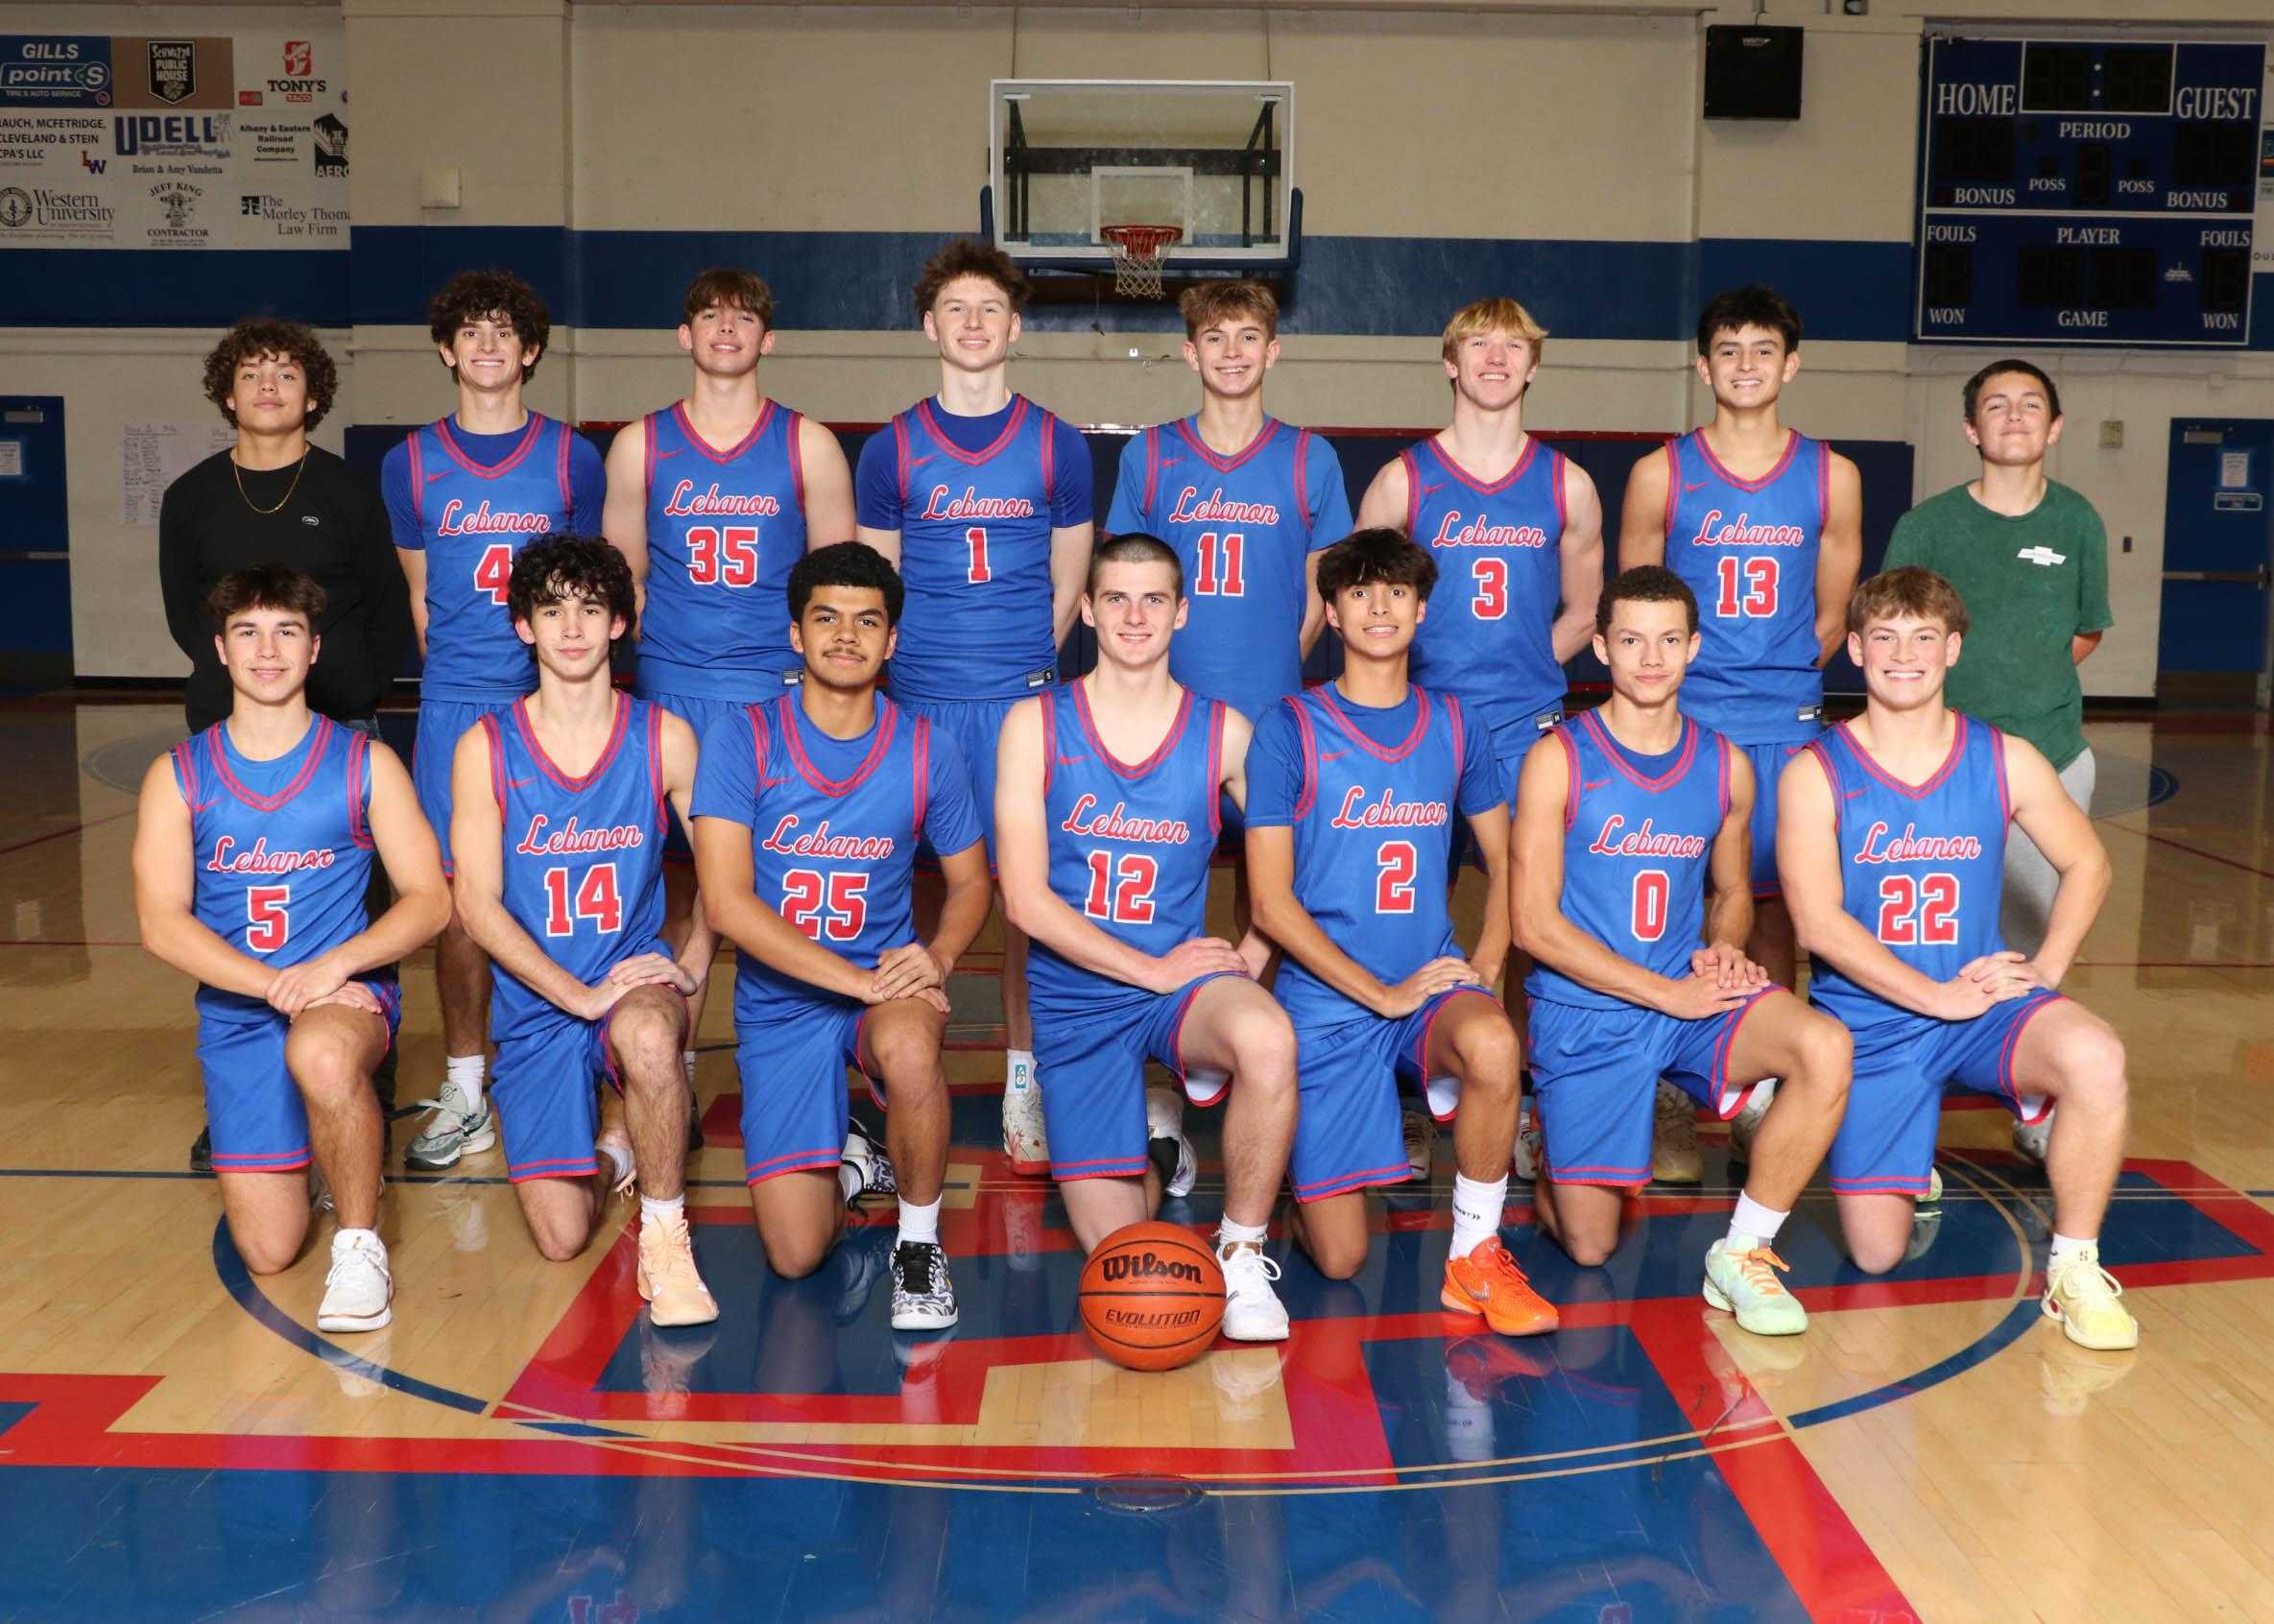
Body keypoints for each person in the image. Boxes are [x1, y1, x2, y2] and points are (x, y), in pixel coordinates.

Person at [1781, 566, 2136, 1349]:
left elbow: (2088, 863)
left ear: (1952, 649)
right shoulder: (1814, 772)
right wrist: (1931, 996)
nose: (1903, 655)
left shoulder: (2003, 757)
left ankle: (2074, 1268)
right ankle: (1906, 1154)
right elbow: (1816, 924)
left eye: (1923, 638)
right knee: (1875, 1254)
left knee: (2094, 1055)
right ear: (1854, 650)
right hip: (1872, 1024)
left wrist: (2046, 969)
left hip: (1981, 1005)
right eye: (1883, 638)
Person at [1509, 566, 1851, 1333]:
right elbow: (1531, 925)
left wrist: (1721, 949)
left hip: (1688, 994)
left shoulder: (1725, 764)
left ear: (1694, 647)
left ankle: (1744, 1249)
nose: (1650, 658)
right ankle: (1555, 1149)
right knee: (1591, 1247)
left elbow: (1730, 892)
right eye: (1631, 641)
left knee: (1823, 1046)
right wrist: (1666, 994)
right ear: (1601, 648)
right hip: (1587, 1009)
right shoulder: (1557, 759)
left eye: (1668, 640)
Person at [1245, 529, 1556, 1336]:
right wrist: (1379, 994)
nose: (1378, 607)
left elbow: (1507, 860)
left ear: (1421, 609)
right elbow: (1270, 904)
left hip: (1429, 985)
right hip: (1328, 1001)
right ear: (1331, 612)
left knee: (1494, 1045)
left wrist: (1486, 962)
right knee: (1341, 1259)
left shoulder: (1456, 723)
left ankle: (1473, 1255)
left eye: (1396, 592)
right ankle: (1304, 1174)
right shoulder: (1288, 726)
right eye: (1358, 592)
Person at [995, 534, 1298, 1340]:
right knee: (1127, 1267)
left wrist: (1250, 955)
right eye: (1117, 599)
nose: (1135, 616)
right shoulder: (1033, 724)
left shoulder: (1226, 732)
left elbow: (1292, 865)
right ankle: (1161, 1145)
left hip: (1181, 988)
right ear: (1087, 610)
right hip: (1078, 1000)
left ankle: (1241, 1254)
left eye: (1153, 599)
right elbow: (1023, 900)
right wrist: (1149, 970)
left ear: (1181, 612)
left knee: (1267, 1038)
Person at [132, 564, 449, 1329]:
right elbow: (161, 922)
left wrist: (334, 967)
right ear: (220, 649)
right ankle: (327, 1146)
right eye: (248, 633)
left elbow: (431, 900)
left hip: (345, 1001)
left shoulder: (365, 763)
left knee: (322, 1052)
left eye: (286, 632)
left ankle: (360, 1247)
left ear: (313, 649)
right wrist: (278, 985)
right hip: (241, 1015)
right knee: (268, 1251)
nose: (267, 651)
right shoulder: (178, 776)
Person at [692, 541, 991, 1331]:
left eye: (867, 621)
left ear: (892, 641)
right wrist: (856, 981)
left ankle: (918, 1246)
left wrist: (937, 956)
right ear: (796, 633)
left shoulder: (927, 747)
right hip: (784, 1003)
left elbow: (971, 883)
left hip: (885, 990)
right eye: (826, 618)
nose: (847, 635)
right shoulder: (742, 738)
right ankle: (856, 1165)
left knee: (911, 1045)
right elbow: (724, 903)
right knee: (795, 1255)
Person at [853, 239, 1092, 1177]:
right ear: (929, 326)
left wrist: (1019, 669)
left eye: (989, 308)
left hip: (1019, 705)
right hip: (917, 703)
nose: (973, 323)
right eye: (955, 308)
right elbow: (874, 589)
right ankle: (900, 1074)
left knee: (1027, 904)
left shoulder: (1056, 443)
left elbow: (1067, 586)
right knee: (908, 896)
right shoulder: (891, 448)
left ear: (1014, 327)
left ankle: (1024, 1079)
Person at [1619, 284, 1862, 1182]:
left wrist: (1771, 682)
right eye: (1728, 350)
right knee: (1667, 909)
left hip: (1783, 724)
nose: (1745, 365)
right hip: (1681, 722)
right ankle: (1669, 1093)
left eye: (1763, 349)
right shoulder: (1660, 472)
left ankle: (1759, 1093)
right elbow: (1638, 606)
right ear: (1702, 365)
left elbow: (1831, 614)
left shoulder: (1831, 475)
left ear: (1790, 365)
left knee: (1775, 915)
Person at [158, 318, 414, 1172]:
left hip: (339, 724)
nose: (268, 387)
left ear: (313, 395)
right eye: (252, 373)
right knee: (230, 904)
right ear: (227, 394)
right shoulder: (191, 496)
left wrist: (352, 690)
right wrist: (249, 690)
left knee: (358, 909)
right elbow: (182, 614)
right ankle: (241, 1093)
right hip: (230, 731)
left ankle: (361, 1089)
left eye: (286, 373)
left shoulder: (345, 490)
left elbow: (384, 603)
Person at [604, 267, 857, 1109]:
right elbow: (624, 585)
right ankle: (665, 1064)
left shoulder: (808, 444)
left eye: (742, 318)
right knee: (674, 890)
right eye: (708, 316)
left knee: (784, 887)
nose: (724, 329)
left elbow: (836, 589)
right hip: (672, 690)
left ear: (766, 340)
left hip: (772, 695)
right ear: (685, 336)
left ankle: (800, 1070)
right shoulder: (640, 444)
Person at [448, 537, 716, 1324]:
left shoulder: (664, 737)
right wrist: (576, 995)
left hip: (630, 982)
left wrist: (690, 966)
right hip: (539, 1001)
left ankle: (666, 1242)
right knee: (562, 1237)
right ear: (524, 626)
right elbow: (477, 907)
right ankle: (614, 1143)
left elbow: (726, 875)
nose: (571, 628)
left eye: (591, 609)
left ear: (619, 624)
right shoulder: (485, 748)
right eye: (552, 610)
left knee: (648, 1036)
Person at [385, 269, 607, 1174]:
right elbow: (420, 598)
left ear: (531, 351)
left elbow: (590, 586)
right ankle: (468, 1086)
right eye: (470, 332)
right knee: (455, 906)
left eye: (504, 332)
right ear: (446, 350)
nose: (486, 346)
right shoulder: (409, 463)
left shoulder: (570, 459)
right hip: (456, 705)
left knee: (562, 886)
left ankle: (573, 1067)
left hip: (552, 701)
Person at [1883, 359, 2112, 1166]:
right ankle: (1901, 1104)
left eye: (2029, 405)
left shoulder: (2076, 520)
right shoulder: (1927, 526)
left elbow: (2083, 632)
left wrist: (2024, 694)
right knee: (1922, 937)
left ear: (2054, 426)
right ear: (1969, 428)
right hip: (1939, 766)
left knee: (2032, 942)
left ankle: (2033, 1099)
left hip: (2048, 758)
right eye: (1995, 405)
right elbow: (1892, 636)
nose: (2013, 417)